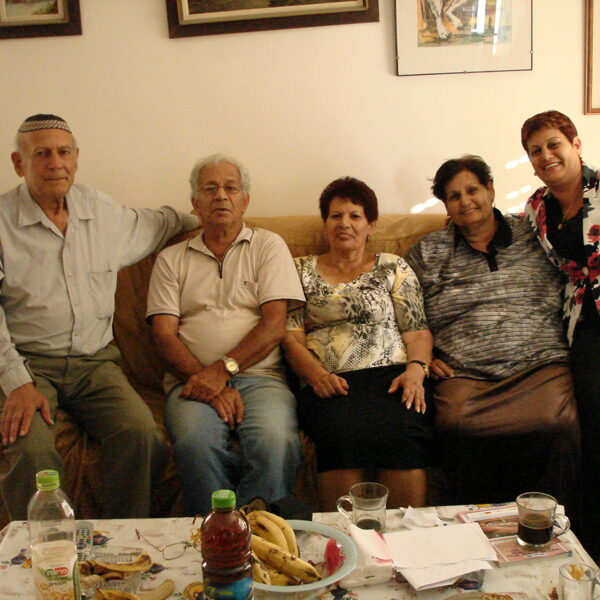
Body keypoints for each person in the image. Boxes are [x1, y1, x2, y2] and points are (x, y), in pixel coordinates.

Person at [0, 114, 200, 520]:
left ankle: (122, 539)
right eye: (42, 154)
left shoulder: (99, 210)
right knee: (31, 448)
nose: (56, 163)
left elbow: (158, 222)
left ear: (76, 158)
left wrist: (205, 219)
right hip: (28, 364)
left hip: (95, 363)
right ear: (19, 164)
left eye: (64, 152)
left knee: (143, 435)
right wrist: (15, 382)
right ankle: (42, 547)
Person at [405, 155, 580, 512]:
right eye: (454, 196)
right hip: (465, 372)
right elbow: (405, 315)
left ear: (490, 190)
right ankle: (474, 522)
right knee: (455, 424)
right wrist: (425, 358)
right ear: (446, 206)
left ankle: (550, 522)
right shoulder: (427, 251)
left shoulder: (536, 234)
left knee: (558, 422)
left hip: (539, 366)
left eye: (472, 190)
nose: (465, 201)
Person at [147, 153, 305, 516]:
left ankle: (260, 531)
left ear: (244, 200)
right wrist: (208, 382)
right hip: (191, 380)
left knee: (275, 440)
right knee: (194, 442)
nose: (221, 195)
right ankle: (216, 532)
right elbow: (164, 336)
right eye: (210, 189)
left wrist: (221, 372)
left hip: (261, 377)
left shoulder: (268, 246)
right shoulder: (171, 259)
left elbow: (274, 325)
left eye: (230, 188)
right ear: (195, 203)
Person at [282, 177, 434, 512]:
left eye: (355, 216)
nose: (344, 223)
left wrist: (416, 370)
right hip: (330, 382)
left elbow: (418, 332)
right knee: (339, 432)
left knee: (403, 429)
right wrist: (315, 376)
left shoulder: (393, 266)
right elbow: (290, 337)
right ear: (325, 223)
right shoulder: (299, 270)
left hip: (394, 378)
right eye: (336, 216)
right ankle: (345, 536)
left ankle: (406, 534)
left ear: (371, 225)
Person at [521, 110, 600, 557]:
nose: (546, 155)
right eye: (536, 151)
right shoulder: (536, 207)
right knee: (589, 425)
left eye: (554, 144)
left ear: (576, 145)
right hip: (580, 322)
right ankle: (587, 539)